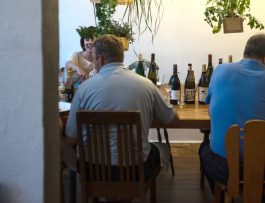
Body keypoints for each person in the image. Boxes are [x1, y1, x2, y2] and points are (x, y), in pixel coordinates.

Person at [65, 34, 180, 181]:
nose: (93, 62)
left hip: (94, 173)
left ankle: (108, 195)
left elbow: (70, 140)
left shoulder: (83, 89)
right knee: (162, 148)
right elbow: (174, 121)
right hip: (135, 173)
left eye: (94, 58)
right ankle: (131, 194)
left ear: (100, 59)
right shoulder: (146, 85)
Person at [199, 33, 265, 195]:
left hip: (223, 169)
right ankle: (260, 195)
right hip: (263, 170)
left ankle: (224, 195)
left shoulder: (219, 70)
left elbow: (210, 110)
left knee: (204, 148)